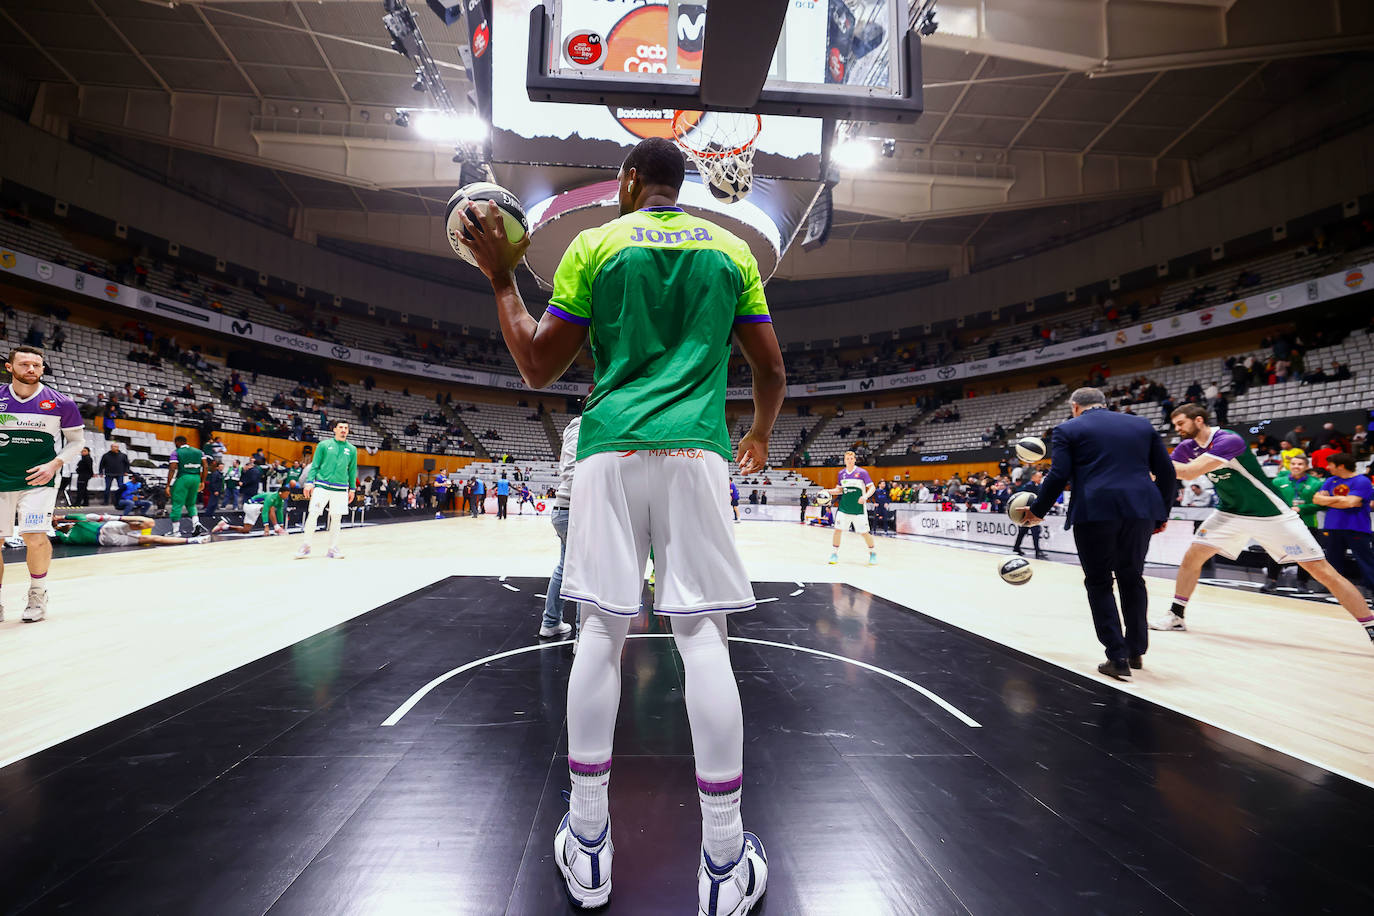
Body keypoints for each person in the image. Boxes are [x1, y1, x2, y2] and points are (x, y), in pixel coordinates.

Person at [459, 136, 782, 914]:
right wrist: (762, 433)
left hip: (607, 453)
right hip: (699, 453)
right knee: (703, 639)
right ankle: (723, 860)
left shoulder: (594, 244)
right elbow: (770, 369)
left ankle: (591, 844)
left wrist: (502, 278)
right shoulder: (731, 249)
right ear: (682, 184)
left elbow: (539, 365)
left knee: (601, 634)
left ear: (631, 181)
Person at [1151, 406, 1373, 645]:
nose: (1178, 429)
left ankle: (1370, 625)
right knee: (1192, 557)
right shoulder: (1187, 447)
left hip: (1271, 514)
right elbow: (1166, 474)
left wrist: (1147, 462)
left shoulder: (1228, 440)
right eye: (1175, 425)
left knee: (1323, 572)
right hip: (1229, 513)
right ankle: (1176, 615)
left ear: (1199, 420)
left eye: (1181, 423)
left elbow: (1190, 471)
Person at [1023, 388, 1176, 681]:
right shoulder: (1141, 425)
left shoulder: (1067, 429)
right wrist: (1161, 513)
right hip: (1140, 510)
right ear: (1105, 405)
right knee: (1132, 578)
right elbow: (1167, 472)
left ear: (1076, 407)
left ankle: (1116, 656)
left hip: (1095, 511)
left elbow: (1058, 474)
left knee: (1099, 581)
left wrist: (1039, 510)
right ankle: (1135, 651)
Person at [0, 346, 85, 624]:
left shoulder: (61, 403)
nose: (32, 370)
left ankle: (37, 594)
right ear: (9, 367)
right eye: (24, 364)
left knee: (34, 537)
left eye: (37, 365)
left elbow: (76, 442)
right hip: (1, 480)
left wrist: (54, 464)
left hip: (39, 481)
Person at [543, 412, 581, 640]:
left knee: (564, 567)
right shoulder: (583, 427)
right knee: (584, 572)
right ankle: (582, 636)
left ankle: (551, 622)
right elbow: (575, 472)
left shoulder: (572, 428)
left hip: (563, 508)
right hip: (576, 507)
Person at [1313, 453, 1374, 595]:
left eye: (1330, 465)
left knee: (1365, 561)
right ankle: (1332, 589)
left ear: (1341, 466)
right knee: (1333, 560)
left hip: (1356, 527)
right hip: (1333, 526)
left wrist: (1331, 500)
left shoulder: (1361, 481)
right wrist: (1342, 500)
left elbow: (1351, 503)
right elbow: (1316, 499)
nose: (1328, 468)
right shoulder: (1331, 480)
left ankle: (1371, 590)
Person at [296, 420, 357, 560]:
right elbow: (315, 465)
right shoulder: (323, 445)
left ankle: (333, 548)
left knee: (336, 518)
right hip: (322, 486)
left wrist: (352, 489)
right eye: (340, 427)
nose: (343, 430)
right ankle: (306, 546)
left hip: (341, 489)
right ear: (334, 429)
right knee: (313, 514)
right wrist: (309, 482)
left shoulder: (352, 449)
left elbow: (352, 470)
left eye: (346, 428)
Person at [1263, 454, 1322, 593]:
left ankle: (1302, 583)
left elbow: (1321, 505)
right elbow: (1270, 500)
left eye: (1300, 464)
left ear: (1306, 467)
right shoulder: (1278, 481)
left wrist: (1302, 508)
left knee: (1307, 555)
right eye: (1294, 463)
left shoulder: (1316, 483)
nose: (1296, 466)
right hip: (1282, 523)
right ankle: (1271, 581)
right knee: (1277, 552)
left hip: (1307, 523)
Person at [827, 450, 876, 566]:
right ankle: (834, 554)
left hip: (858, 510)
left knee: (864, 533)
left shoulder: (862, 472)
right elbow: (839, 490)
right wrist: (827, 491)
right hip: (844, 509)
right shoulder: (841, 474)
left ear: (854, 459)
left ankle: (873, 554)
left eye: (851, 458)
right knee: (837, 530)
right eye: (847, 459)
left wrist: (865, 496)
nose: (849, 461)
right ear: (844, 460)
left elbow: (872, 487)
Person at [53, 513, 211, 548]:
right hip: (107, 540)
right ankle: (193, 540)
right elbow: (57, 533)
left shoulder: (78, 522)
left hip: (107, 527)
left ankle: (118, 516)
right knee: (152, 539)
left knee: (149, 522)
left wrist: (59, 517)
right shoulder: (64, 536)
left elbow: (69, 516)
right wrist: (56, 525)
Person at [167, 435, 209, 537]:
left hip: (183, 477)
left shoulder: (176, 452)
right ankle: (196, 523)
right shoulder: (199, 452)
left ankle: (175, 531)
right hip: (196, 478)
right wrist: (202, 481)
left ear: (177, 442)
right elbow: (206, 466)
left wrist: (168, 485)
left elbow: (172, 468)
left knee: (177, 503)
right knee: (191, 504)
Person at [213, 483, 290, 536]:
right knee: (271, 507)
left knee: (246, 530)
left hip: (256, 508)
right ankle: (276, 528)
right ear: (280, 493)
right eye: (286, 494)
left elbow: (279, 512)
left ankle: (224, 526)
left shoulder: (281, 500)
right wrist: (267, 526)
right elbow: (265, 511)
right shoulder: (271, 497)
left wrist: (282, 525)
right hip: (250, 506)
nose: (287, 496)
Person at [1011, 470, 1048, 559]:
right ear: (1033, 477)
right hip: (1028, 512)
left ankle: (1017, 547)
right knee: (1034, 530)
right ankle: (1037, 550)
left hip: (1034, 511)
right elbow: (1021, 497)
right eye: (1039, 477)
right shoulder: (1027, 486)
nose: (1040, 478)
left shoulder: (1039, 486)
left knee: (1024, 531)